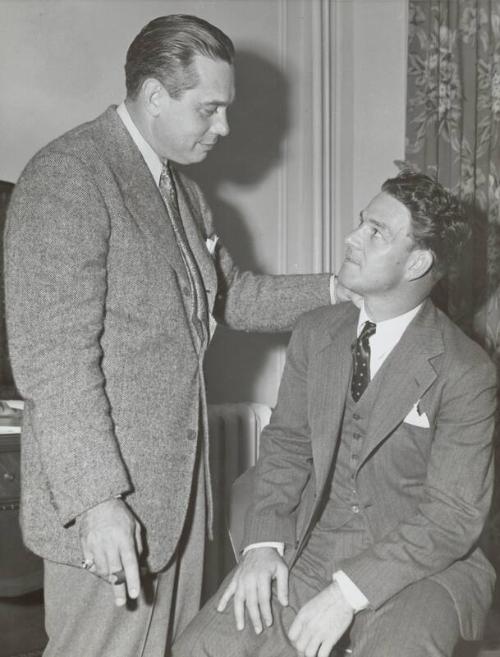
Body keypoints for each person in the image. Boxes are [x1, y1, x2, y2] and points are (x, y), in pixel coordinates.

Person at [3, 14, 355, 657]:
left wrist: (342, 288)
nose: (222, 128)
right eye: (209, 110)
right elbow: (55, 363)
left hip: (179, 498)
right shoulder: (71, 176)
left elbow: (235, 296)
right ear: (155, 95)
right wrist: (98, 502)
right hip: (112, 504)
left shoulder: (183, 194)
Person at [172, 171, 497, 657]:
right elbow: (287, 447)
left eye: (376, 232)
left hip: (422, 567)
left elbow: (451, 518)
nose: (352, 237)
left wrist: (346, 595)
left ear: (418, 263)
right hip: (312, 547)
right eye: (361, 223)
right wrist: (263, 546)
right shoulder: (316, 332)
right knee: (199, 649)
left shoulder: (466, 370)